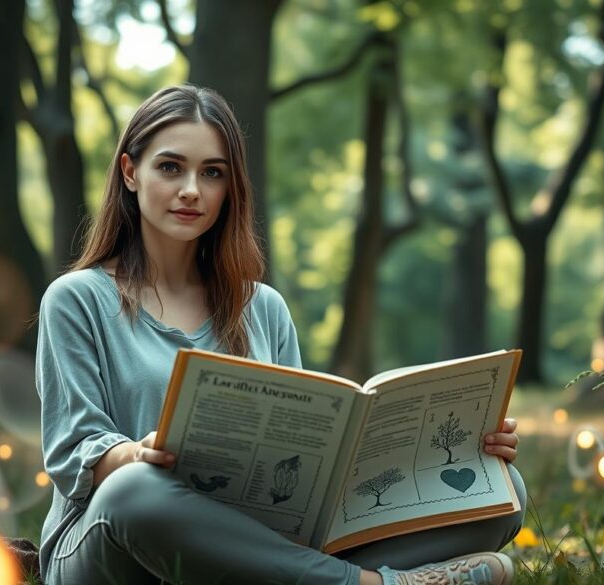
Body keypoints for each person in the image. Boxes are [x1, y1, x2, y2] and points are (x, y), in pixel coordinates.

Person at [36, 84, 527, 585]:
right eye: (170, 167)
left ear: (231, 189)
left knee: (502, 493)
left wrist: (469, 443)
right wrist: (137, 453)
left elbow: (303, 458)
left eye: (212, 173)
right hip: (112, 544)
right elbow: (75, 452)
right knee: (132, 490)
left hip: (257, 540)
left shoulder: (262, 306)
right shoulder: (76, 299)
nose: (191, 189)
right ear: (129, 172)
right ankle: (370, 583)